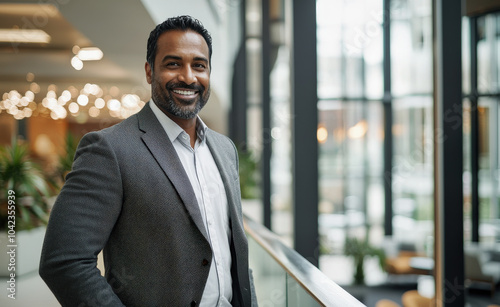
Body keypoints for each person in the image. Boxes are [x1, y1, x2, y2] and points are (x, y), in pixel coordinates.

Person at [39, 15, 256, 307]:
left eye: (199, 65)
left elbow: (233, 252)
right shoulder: (109, 150)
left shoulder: (224, 149)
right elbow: (64, 262)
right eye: (173, 63)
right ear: (149, 71)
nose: (189, 77)